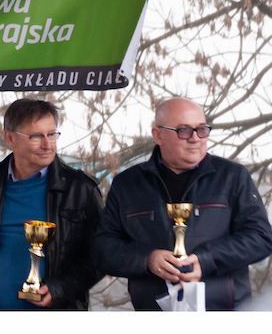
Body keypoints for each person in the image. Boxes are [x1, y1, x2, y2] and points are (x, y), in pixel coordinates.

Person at [92, 97, 272, 310]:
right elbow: (103, 249)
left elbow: (261, 238)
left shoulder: (233, 177)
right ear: (158, 135)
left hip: (225, 313)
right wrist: (146, 259)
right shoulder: (127, 184)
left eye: (202, 129)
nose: (195, 138)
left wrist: (207, 260)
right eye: (184, 131)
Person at [0, 98, 103, 310]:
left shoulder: (80, 190)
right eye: (36, 136)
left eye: (51, 134)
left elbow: (102, 256)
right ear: (10, 138)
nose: (47, 144)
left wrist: (61, 289)